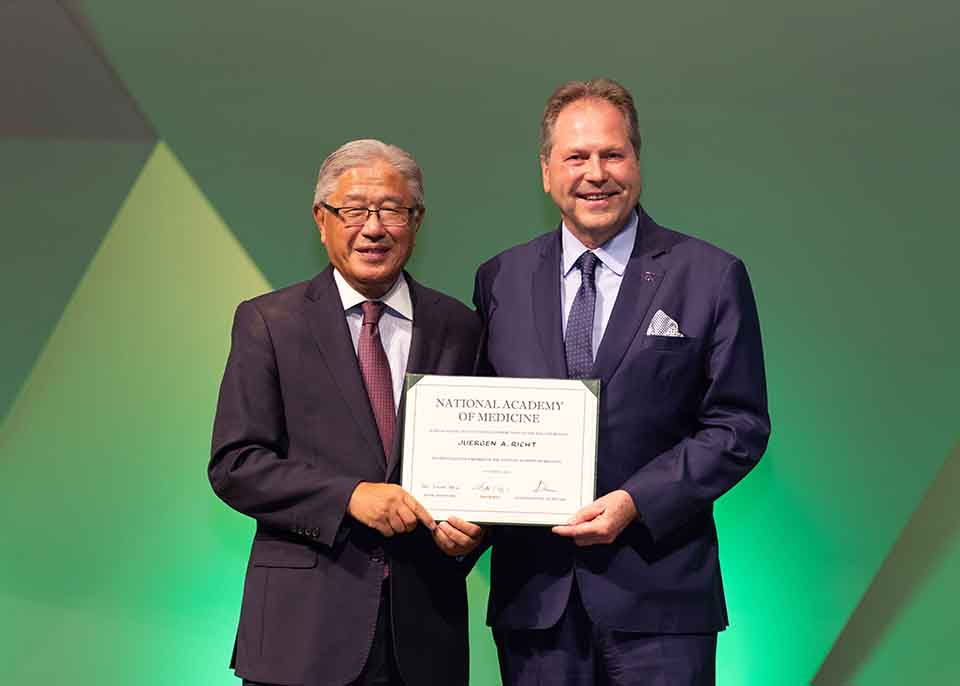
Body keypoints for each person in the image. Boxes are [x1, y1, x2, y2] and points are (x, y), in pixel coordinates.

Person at [473, 79, 771, 685]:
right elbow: (482, 416)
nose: (596, 174)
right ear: (546, 172)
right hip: (535, 604)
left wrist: (637, 501)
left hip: (661, 600)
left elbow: (739, 425)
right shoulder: (498, 279)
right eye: (576, 157)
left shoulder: (709, 276)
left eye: (612, 154)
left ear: (637, 161)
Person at [210, 139, 485, 686]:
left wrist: (479, 531)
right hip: (301, 636)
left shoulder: (460, 328)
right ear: (322, 220)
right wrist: (350, 497)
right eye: (354, 210)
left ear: (416, 220)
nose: (374, 227)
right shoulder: (270, 322)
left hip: (424, 637)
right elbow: (235, 465)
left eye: (391, 210)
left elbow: (481, 463)